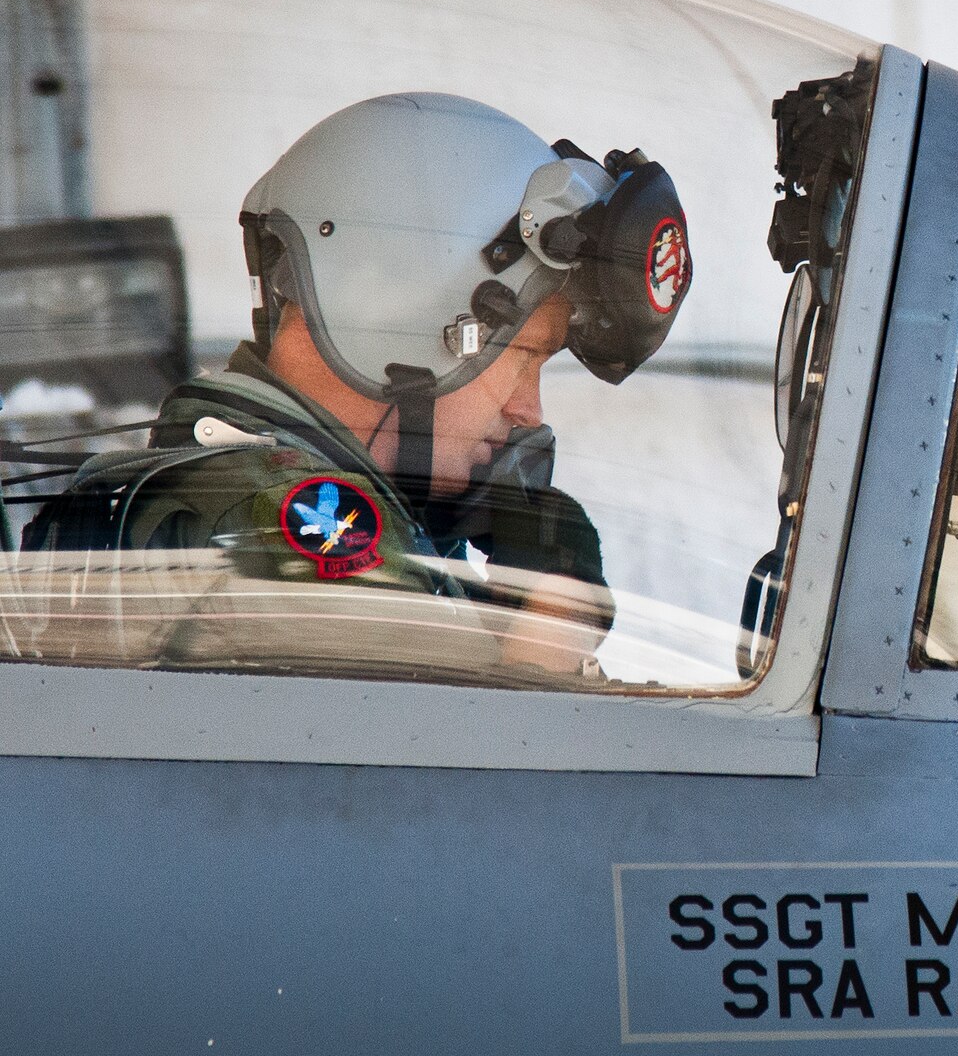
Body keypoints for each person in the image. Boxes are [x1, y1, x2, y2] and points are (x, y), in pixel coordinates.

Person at [18, 91, 692, 681]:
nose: (528, 410)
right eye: (523, 356)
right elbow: (472, 798)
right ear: (404, 319)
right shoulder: (297, 531)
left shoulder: (235, 496)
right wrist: (555, 617)